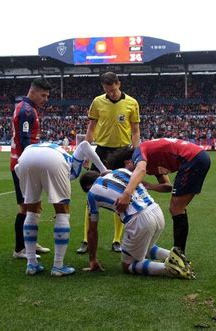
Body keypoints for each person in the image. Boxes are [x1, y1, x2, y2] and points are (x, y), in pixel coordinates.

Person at [78, 169, 194, 279]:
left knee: (128, 265)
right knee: (145, 247)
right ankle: (179, 258)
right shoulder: (121, 171)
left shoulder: (92, 193)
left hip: (139, 219)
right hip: (156, 211)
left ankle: (170, 269)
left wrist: (92, 259)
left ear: (88, 187)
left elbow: (92, 231)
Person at [16, 141, 108, 276]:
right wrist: (103, 170)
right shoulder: (72, 163)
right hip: (52, 160)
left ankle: (31, 264)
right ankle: (58, 266)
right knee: (62, 212)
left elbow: (18, 168)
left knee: (31, 211)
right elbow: (84, 145)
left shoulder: (61, 151)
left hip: (25, 158)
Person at [109, 138, 211, 254]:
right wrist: (149, 185)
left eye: (127, 172)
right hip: (196, 157)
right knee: (178, 208)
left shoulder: (139, 152)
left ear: (127, 162)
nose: (129, 176)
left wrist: (127, 194)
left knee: (176, 208)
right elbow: (167, 186)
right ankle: (179, 253)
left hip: (192, 158)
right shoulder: (151, 160)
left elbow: (140, 169)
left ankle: (179, 254)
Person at [77, 71, 140, 254]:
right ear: (103, 88)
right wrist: (87, 153)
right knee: (92, 195)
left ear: (118, 84)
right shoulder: (97, 102)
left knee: (121, 196)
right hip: (101, 151)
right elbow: (91, 128)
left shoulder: (132, 103)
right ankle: (86, 240)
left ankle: (117, 240)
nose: (111, 93)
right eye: (107, 90)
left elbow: (135, 131)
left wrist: (135, 154)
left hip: (122, 152)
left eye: (113, 89)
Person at [10, 78, 52, 259]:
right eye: (43, 95)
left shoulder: (28, 108)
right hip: (23, 165)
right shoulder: (26, 110)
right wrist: (29, 164)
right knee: (26, 208)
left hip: (25, 163)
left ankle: (31, 243)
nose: (45, 99)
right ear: (32, 92)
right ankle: (20, 249)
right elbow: (24, 140)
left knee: (35, 206)